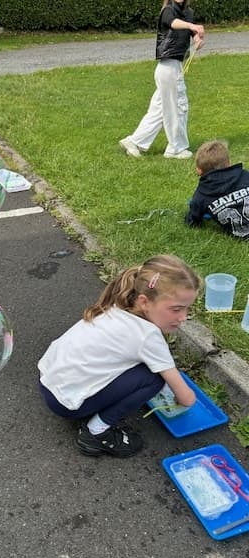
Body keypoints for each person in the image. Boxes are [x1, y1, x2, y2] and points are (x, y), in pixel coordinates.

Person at [38, 255, 199, 457]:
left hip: (48, 380)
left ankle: (92, 407)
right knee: (154, 378)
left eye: (187, 309)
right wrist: (187, 398)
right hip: (65, 404)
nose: (183, 317)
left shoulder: (118, 306)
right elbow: (187, 399)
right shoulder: (147, 336)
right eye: (176, 309)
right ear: (144, 301)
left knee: (146, 370)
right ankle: (95, 433)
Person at [119, 0, 204, 160]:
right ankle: (176, 148)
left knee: (159, 110)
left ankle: (134, 141)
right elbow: (173, 23)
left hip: (173, 67)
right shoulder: (167, 11)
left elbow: (191, 33)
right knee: (178, 107)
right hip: (168, 67)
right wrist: (192, 27)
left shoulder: (188, 13)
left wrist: (197, 40)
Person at [185, 140, 249, 239]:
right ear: (229, 163)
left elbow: (193, 220)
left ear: (199, 170)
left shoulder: (201, 195)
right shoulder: (244, 175)